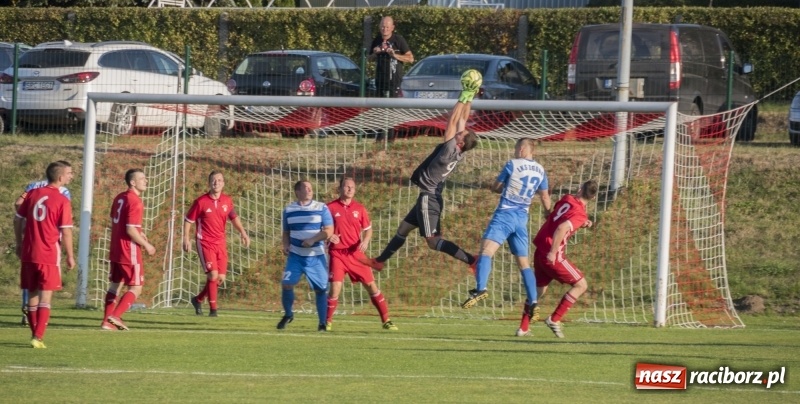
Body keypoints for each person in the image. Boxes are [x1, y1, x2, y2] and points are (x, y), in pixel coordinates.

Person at [362, 72, 481, 272]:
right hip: (429, 196)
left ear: (460, 142)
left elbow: (452, 121)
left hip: (430, 197)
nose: (459, 131)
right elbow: (462, 120)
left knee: (433, 241)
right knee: (404, 228)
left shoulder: (449, 150)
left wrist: (462, 96)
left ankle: (471, 261)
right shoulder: (459, 149)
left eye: (460, 134)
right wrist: (470, 96)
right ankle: (380, 261)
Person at [460, 138, 552, 339]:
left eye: (516, 148)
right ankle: (534, 301)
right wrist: (547, 214)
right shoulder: (541, 170)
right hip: (522, 219)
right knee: (524, 265)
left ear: (522, 148)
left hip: (505, 215)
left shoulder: (512, 164)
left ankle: (481, 288)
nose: (515, 151)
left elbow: (496, 186)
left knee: (486, 251)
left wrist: (499, 187)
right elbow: (545, 197)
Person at [14, 161, 75, 348]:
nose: (71, 176)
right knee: (45, 296)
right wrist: (70, 255)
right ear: (60, 177)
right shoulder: (62, 200)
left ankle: (34, 334)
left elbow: (17, 219)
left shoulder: (32, 194)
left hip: (29, 251)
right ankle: (38, 336)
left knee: (32, 293)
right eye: (69, 173)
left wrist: (18, 243)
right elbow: (66, 231)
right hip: (48, 252)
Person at [527, 179, 598, 338]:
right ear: (593, 198)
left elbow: (558, 216)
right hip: (553, 254)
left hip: (540, 249)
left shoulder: (567, 198)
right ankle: (554, 319)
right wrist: (553, 252)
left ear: (579, 189)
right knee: (581, 285)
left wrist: (582, 222)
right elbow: (562, 227)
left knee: (538, 290)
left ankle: (523, 327)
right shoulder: (580, 214)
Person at [325, 177, 397, 332]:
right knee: (335, 288)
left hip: (356, 255)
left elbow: (368, 229)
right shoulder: (330, 208)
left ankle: (386, 320)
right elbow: (322, 228)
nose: (350, 189)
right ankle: (327, 322)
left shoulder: (360, 208)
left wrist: (365, 241)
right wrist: (329, 236)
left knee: (372, 286)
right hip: (337, 254)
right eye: (346, 186)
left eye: (352, 187)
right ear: (340, 188)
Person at [183, 171, 251, 317]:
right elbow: (189, 220)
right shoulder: (201, 202)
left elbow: (234, 217)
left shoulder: (227, 201)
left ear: (223, 183)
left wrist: (243, 233)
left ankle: (198, 299)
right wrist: (186, 238)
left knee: (220, 278)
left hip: (220, 243)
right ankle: (214, 310)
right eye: (214, 180)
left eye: (219, 180)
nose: (216, 182)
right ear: (209, 183)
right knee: (213, 275)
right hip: (205, 242)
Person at [103, 169, 157, 331]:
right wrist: (147, 245)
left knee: (115, 285)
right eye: (142, 178)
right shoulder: (135, 201)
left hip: (115, 248)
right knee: (136, 287)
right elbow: (130, 230)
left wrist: (140, 232)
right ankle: (116, 316)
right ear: (132, 182)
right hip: (129, 249)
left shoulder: (120, 197)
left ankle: (106, 322)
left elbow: (117, 221)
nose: (146, 181)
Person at [278, 180, 334, 332]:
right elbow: (286, 232)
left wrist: (312, 240)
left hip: (316, 256)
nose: (310, 190)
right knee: (286, 283)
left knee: (321, 289)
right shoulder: (289, 210)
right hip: (296, 256)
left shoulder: (322, 207)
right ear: (297, 192)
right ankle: (288, 314)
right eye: (306, 188)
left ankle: (322, 323)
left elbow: (329, 231)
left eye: (311, 188)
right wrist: (285, 245)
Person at [369, 15, 414, 99]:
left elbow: (410, 58)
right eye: (383, 27)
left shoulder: (399, 40)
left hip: (394, 82)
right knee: (379, 108)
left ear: (392, 27)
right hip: (380, 82)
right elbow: (369, 59)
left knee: (392, 108)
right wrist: (375, 53)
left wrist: (394, 55)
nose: (385, 29)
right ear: (379, 27)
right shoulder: (376, 40)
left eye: (387, 27)